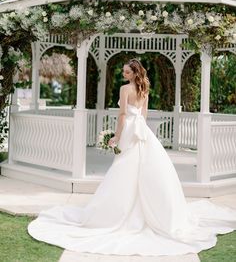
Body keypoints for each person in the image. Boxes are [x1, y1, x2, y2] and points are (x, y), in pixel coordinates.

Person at [28, 58, 236, 256]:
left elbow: (123, 115)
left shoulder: (125, 89)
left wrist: (117, 137)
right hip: (141, 131)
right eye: (124, 71)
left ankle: (117, 214)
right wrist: (141, 131)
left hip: (129, 130)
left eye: (127, 71)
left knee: (124, 168)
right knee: (137, 167)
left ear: (135, 72)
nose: (124, 73)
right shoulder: (144, 89)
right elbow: (143, 115)